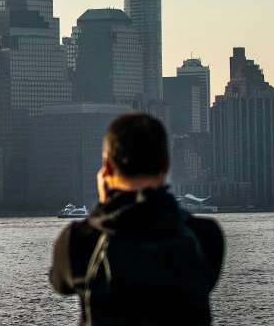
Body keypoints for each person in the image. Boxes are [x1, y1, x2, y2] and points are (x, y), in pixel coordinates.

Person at [50, 112, 224, 325]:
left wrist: (104, 206)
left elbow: (59, 282)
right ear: (166, 164)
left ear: (108, 167)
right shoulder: (206, 236)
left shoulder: (77, 241)